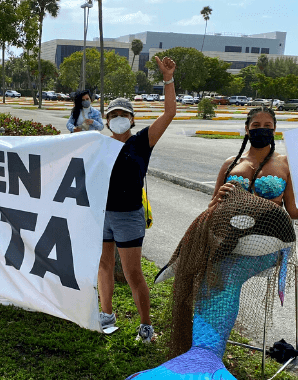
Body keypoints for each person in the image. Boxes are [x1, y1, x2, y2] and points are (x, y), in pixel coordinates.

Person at [98, 55, 176, 343]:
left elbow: (169, 113)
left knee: (132, 272)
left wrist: (167, 79)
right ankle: (106, 316)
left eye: (123, 115)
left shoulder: (142, 142)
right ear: (107, 121)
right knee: (104, 265)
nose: (118, 119)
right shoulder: (98, 144)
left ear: (131, 119)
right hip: (101, 214)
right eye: (112, 115)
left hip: (129, 215)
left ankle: (146, 327)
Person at [208, 106, 298, 218]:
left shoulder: (286, 163)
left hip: (270, 241)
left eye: (267, 126)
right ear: (247, 129)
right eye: (256, 125)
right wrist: (217, 201)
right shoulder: (230, 163)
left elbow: (293, 211)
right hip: (229, 240)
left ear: (274, 130)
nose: (261, 129)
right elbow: (211, 207)